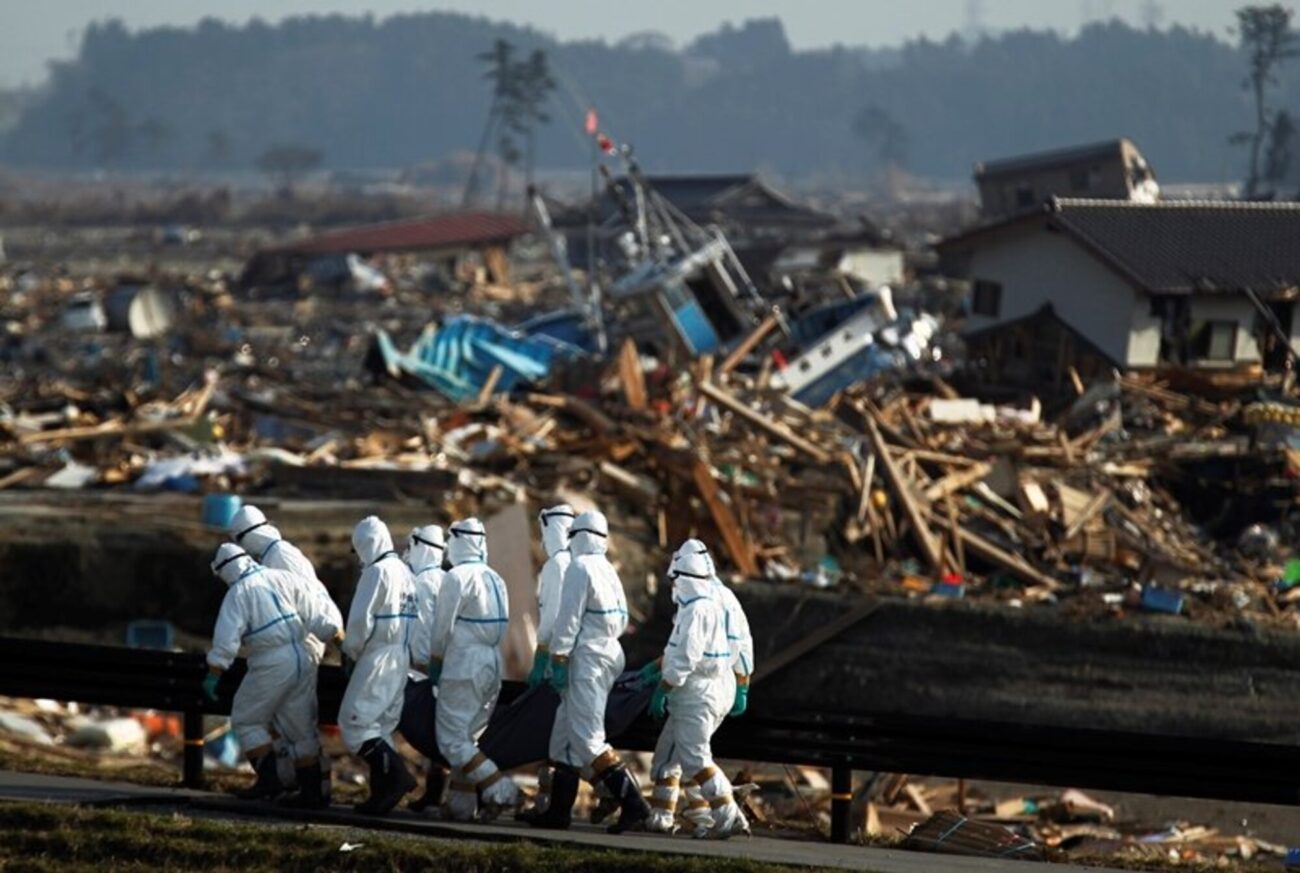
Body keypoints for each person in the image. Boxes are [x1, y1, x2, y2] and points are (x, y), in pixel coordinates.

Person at [530, 509, 650, 833]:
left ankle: (635, 805)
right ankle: (558, 812)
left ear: (577, 536)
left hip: (588, 657)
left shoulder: (579, 567)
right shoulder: (607, 568)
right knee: (563, 738)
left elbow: (568, 621)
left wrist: (558, 658)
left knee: (587, 738)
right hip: (609, 650)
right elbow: (623, 618)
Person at [203, 543, 341, 808]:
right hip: (303, 655)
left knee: (247, 719)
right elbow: (317, 613)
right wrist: (339, 642)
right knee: (300, 729)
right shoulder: (282, 577)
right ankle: (314, 793)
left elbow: (226, 642)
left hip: (272, 661)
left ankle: (270, 782)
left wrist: (214, 672)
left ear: (226, 569)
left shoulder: (237, 594)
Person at [643, 545, 749, 839]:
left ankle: (727, 815)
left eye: (676, 579)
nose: (674, 586)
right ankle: (663, 815)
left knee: (695, 757)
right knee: (667, 756)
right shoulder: (709, 604)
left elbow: (684, 656)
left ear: (685, 577)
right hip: (698, 691)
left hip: (696, 693)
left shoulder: (695, 610)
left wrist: (662, 687)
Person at [427, 517, 519, 822]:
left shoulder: (456, 577)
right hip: (492, 663)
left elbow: (442, 628)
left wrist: (436, 661)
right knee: (469, 739)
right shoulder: (496, 578)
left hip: (463, 663)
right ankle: (461, 806)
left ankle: (501, 790)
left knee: (452, 740)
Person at [339, 515, 419, 815]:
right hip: (401, 656)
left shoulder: (376, 573)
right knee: (380, 726)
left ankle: (399, 777)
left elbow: (360, 622)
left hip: (379, 656)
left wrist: (350, 652)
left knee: (354, 724)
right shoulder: (406, 572)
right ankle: (381, 796)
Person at [517, 504, 575, 824]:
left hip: (559, 657)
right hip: (571, 657)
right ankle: (548, 804)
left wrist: (541, 656)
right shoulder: (578, 562)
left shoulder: (557, 566)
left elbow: (552, 616)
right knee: (561, 737)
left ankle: (552, 807)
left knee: (562, 737)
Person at [404, 523, 449, 813]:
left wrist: (418, 662)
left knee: (430, 732)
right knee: (445, 732)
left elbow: (421, 630)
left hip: (424, 667)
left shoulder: (422, 583)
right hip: (448, 664)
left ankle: (432, 796)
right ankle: (435, 795)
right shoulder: (448, 578)